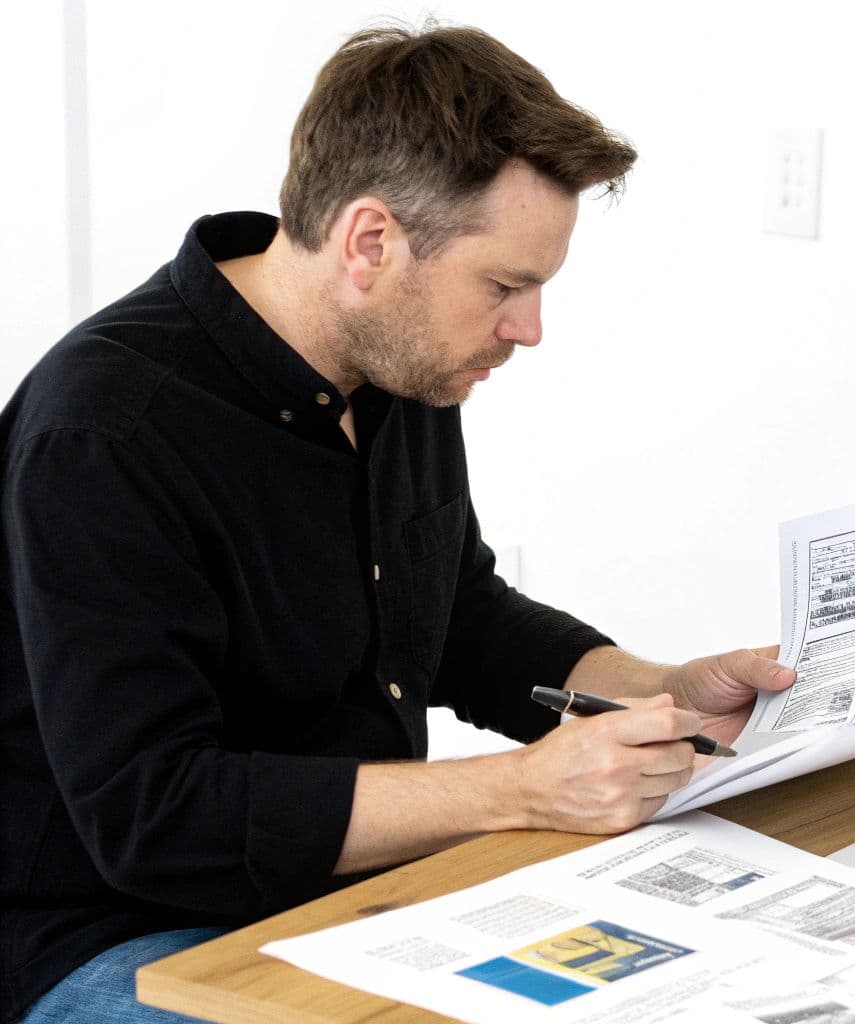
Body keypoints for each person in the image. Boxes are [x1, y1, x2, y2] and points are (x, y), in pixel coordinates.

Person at [0, 22, 796, 1023]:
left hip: (349, 896)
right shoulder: (106, 432)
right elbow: (157, 813)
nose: (528, 328)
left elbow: (457, 615)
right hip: (119, 935)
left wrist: (658, 691)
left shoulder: (396, 371)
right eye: (505, 285)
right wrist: (522, 789)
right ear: (370, 242)